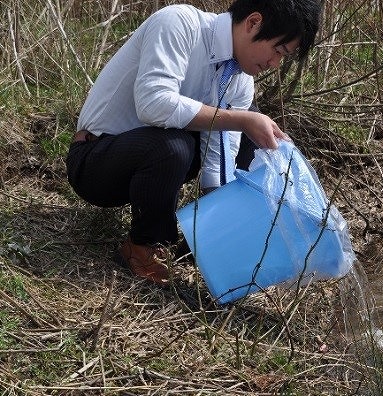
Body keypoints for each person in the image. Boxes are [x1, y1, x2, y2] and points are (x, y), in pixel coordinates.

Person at [66, 0, 321, 286]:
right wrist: (239, 120)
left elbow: (219, 160)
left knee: (252, 135)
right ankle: (140, 246)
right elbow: (153, 103)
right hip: (97, 162)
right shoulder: (180, 24)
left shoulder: (239, 79)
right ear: (253, 22)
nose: (275, 64)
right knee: (177, 144)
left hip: (154, 162)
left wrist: (217, 226)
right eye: (278, 50)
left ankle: (198, 244)